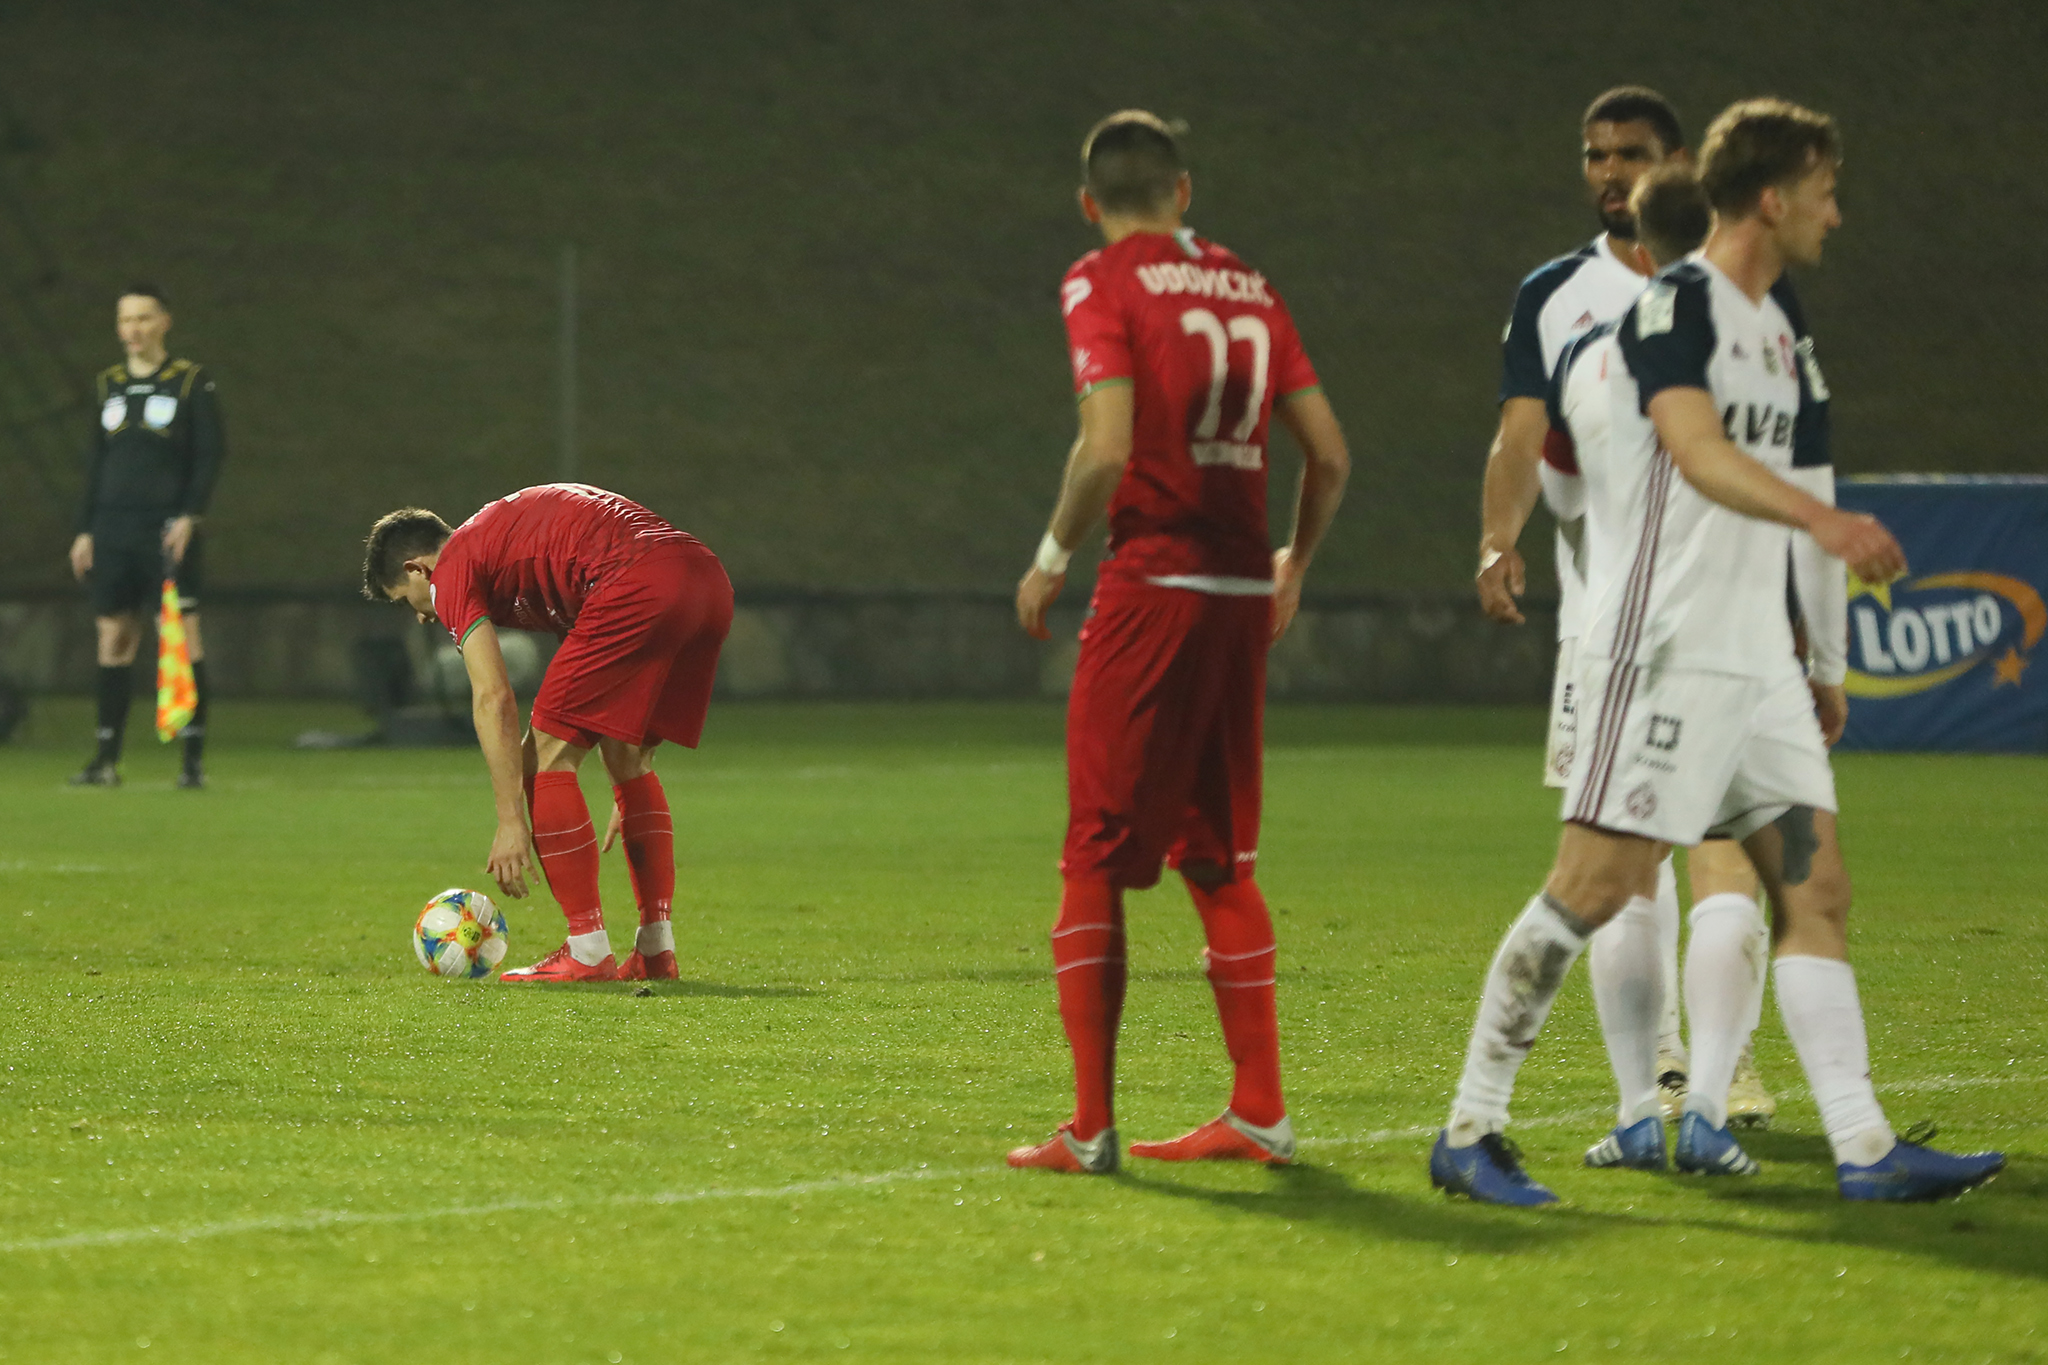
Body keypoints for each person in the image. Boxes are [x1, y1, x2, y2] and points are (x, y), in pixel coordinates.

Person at [1430, 102, 2004, 1206]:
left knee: (1815, 889)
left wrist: (1823, 663)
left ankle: (1864, 1145)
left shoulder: (1782, 333)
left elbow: (1814, 484)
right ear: (1771, 199)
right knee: (1594, 886)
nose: (1836, 214)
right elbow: (1694, 452)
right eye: (1824, 191)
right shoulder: (1672, 307)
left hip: (1760, 673)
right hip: (1665, 653)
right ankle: (1470, 1125)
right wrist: (1819, 522)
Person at [1007, 111, 1350, 1174]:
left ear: (1088, 203)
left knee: (1092, 857)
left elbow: (1104, 447)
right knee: (1218, 856)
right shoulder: (1248, 282)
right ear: (1183, 192)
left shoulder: (1099, 279)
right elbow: (1330, 454)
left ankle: (1090, 1128)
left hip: (1152, 586)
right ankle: (1260, 1111)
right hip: (1240, 591)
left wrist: (1051, 555)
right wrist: (1294, 562)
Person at [1475, 87, 1776, 1128]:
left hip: (1727, 614)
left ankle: (1726, 1067)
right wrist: (1497, 538)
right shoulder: (1555, 294)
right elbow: (1520, 440)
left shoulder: (1748, 288)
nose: (1610, 172)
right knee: (1625, 868)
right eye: (1594, 154)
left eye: (1631, 154)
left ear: (1678, 161)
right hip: (1607, 626)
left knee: (1727, 846)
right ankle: (1657, 1071)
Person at [361, 483, 733, 983]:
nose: (422, 615)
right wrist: (633, 797)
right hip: (706, 582)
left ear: (417, 570)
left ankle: (587, 950)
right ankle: (655, 949)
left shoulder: (453, 568)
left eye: (407, 601)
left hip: (636, 583)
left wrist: (510, 819)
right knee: (629, 765)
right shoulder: (505, 542)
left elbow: (493, 697)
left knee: (541, 761)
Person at [68, 285, 223, 788]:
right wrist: (84, 529)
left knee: (179, 637)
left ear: (164, 322)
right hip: (112, 529)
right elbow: (96, 462)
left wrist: (189, 515)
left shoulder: (190, 382)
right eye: (125, 320)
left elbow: (209, 453)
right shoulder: (107, 384)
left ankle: (191, 763)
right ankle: (105, 760)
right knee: (113, 638)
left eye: (143, 318)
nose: (133, 329)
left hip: (165, 529)